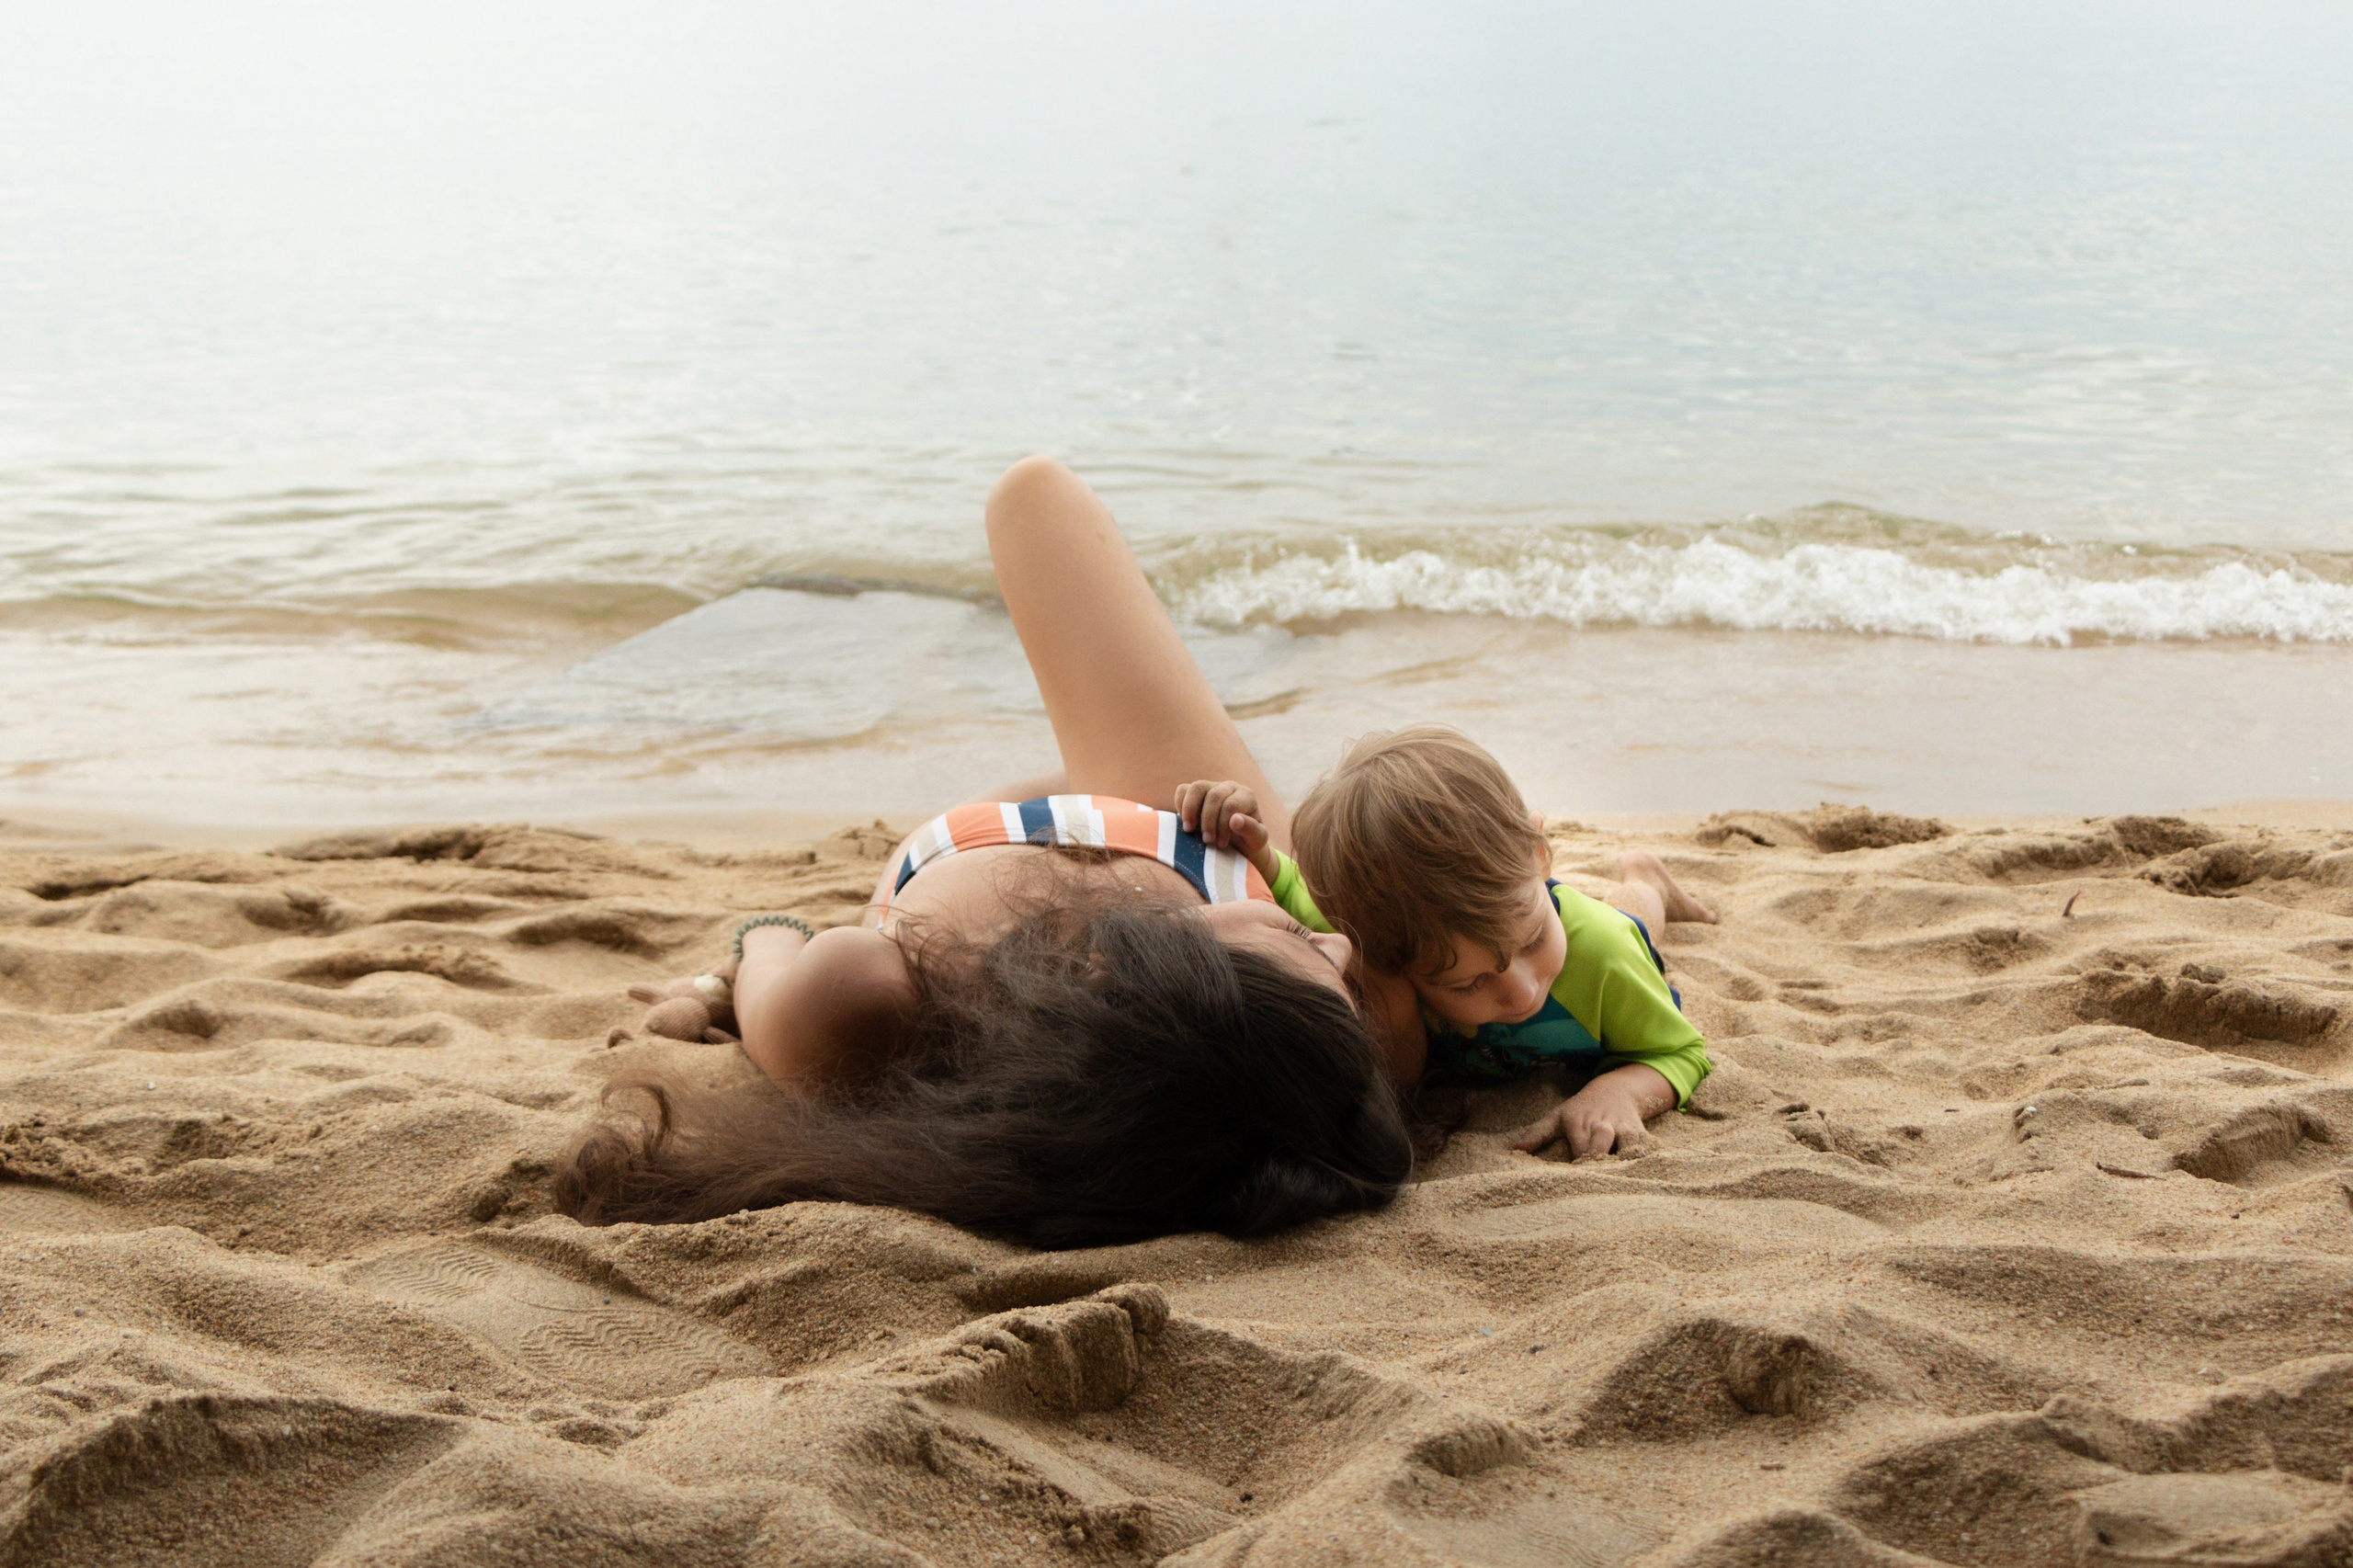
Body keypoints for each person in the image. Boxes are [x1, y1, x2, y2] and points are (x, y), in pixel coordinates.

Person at [553, 457, 1415, 1247]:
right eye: (1333, 971)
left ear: (1150, 983)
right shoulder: (1323, 1046)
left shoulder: (866, 997)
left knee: (1033, 501)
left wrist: (729, 973)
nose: (1341, 946)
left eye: (1302, 945)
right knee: (1037, 501)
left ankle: (919, 649)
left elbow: (768, 948)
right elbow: (1528, 939)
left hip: (1033, 840)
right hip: (1196, 833)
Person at [1174, 726, 1717, 1161]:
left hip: (1606, 936)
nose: (1521, 992)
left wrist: (1619, 1091)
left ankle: (1649, 882)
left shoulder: (1603, 956)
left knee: (1633, 917)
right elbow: (1295, 890)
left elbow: (1679, 1051)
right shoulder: (1385, 931)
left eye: (1532, 942)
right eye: (1467, 983)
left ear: (1538, 855)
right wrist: (1256, 847)